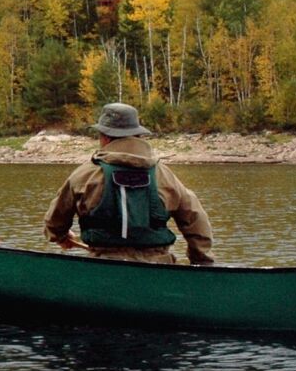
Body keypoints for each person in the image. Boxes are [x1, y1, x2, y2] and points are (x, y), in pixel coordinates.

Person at [43, 103, 215, 265]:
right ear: (138, 135)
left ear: (104, 137)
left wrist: (60, 236)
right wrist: (201, 261)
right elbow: (195, 219)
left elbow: (55, 221)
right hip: (158, 266)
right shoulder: (165, 175)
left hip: (102, 267)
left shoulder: (84, 174)